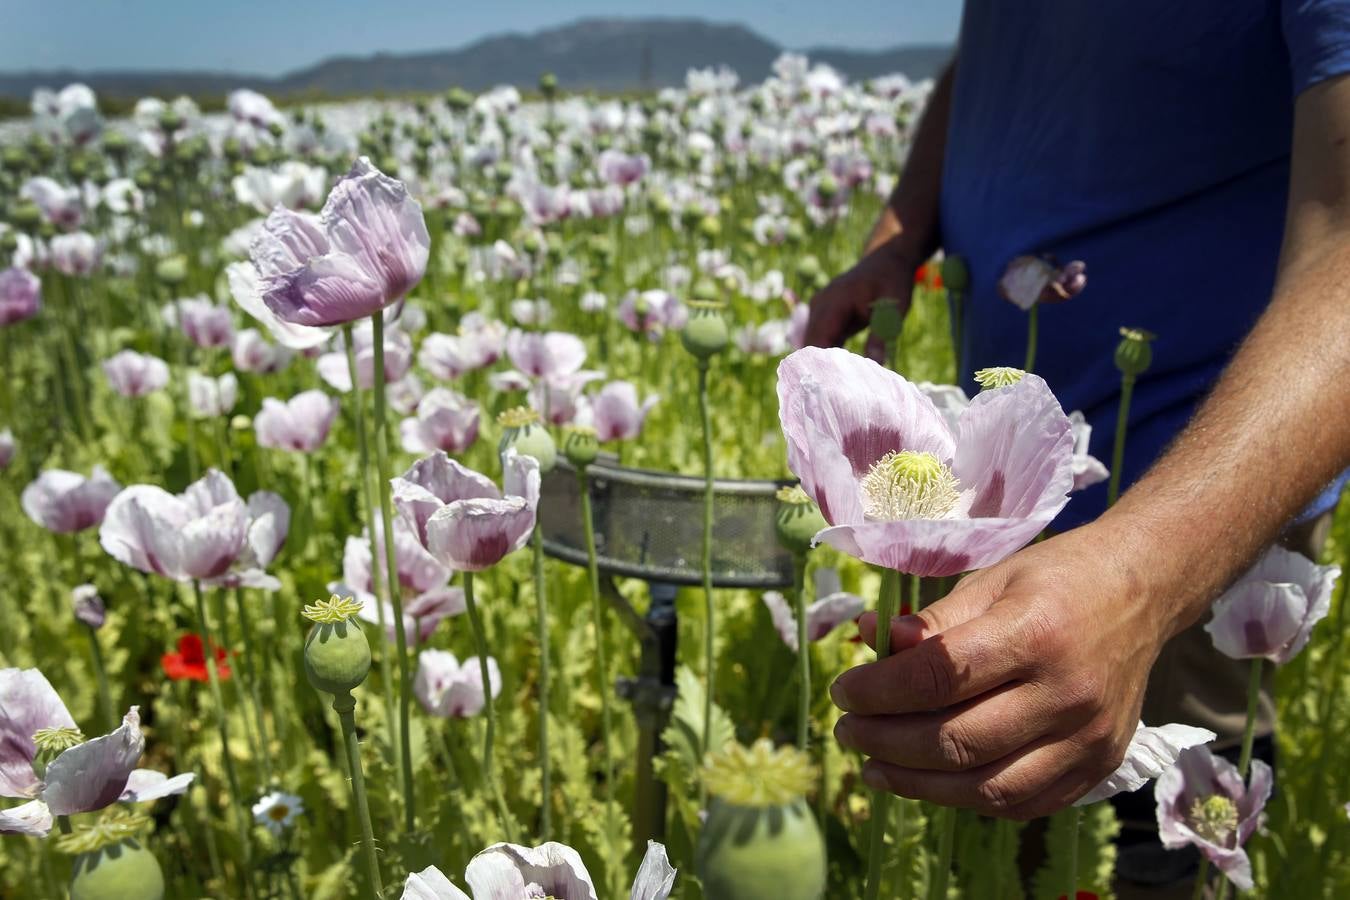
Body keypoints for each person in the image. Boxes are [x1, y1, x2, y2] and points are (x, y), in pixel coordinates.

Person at [804, 2, 1350, 894]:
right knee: (1006, 841)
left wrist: (1144, 579)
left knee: (1155, 846)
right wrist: (900, 233)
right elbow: (995, 51)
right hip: (991, 493)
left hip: (1197, 501)